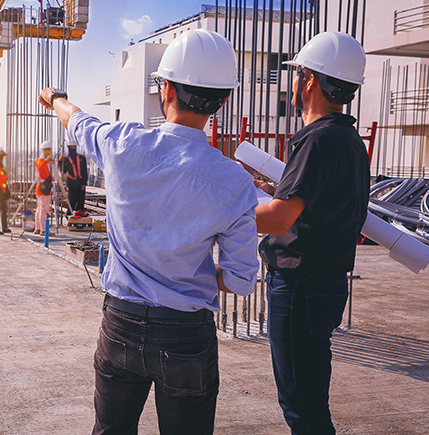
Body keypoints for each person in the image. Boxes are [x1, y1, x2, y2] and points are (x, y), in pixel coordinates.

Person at [39, 29, 259, 435]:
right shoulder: (234, 182)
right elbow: (243, 281)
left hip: (120, 322)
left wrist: (54, 98)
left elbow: (77, 121)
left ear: (166, 89)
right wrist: (184, 273)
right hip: (186, 336)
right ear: (223, 100)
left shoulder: (123, 145)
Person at [253, 31, 369, 435]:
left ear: (310, 81)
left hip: (301, 283)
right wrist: (274, 194)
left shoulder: (317, 141)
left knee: (301, 406)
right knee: (309, 397)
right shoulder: (348, 140)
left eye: (299, 74)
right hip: (326, 281)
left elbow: (277, 220)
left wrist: (224, 209)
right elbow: (317, 207)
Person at [58, 139, 88, 217]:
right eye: (72, 146)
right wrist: (61, 162)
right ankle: (69, 215)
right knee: (72, 201)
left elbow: (85, 172)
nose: (73, 148)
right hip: (72, 183)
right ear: (69, 147)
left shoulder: (82, 158)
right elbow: (63, 171)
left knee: (81, 201)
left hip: (80, 182)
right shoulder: (66, 160)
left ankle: (80, 214)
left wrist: (84, 183)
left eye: (74, 146)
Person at [34, 141, 53, 235]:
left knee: (40, 209)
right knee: (43, 210)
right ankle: (43, 230)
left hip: (43, 187)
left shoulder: (45, 161)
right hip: (43, 188)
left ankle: (38, 228)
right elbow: (41, 167)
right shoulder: (41, 161)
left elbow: (48, 174)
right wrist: (46, 161)